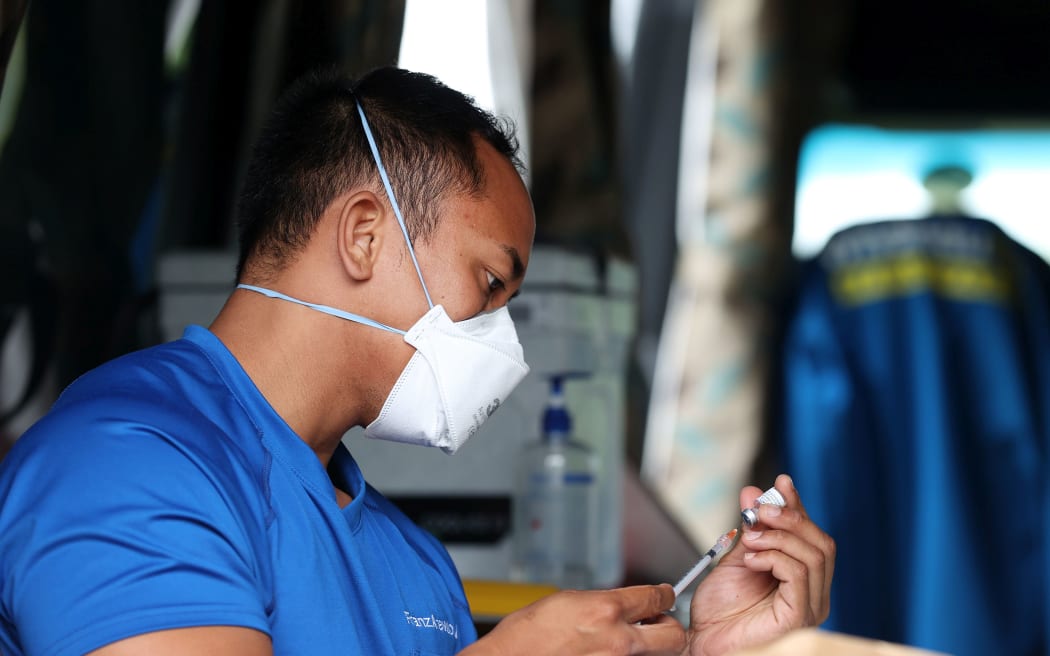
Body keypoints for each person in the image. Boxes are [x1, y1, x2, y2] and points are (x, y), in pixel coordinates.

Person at [0, 66, 834, 655]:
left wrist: (701, 651)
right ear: (365, 234)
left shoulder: (415, 566)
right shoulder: (128, 464)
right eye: (489, 283)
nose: (503, 343)